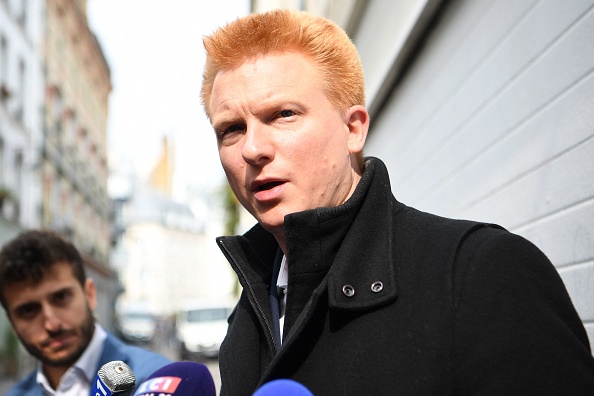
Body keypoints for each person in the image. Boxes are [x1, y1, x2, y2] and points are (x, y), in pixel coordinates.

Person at [200, 9, 594, 395]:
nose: (252, 148)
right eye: (232, 129)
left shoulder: (481, 273)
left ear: (353, 129)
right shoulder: (251, 308)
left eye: (283, 114)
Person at [0, 230, 171, 396]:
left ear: (89, 294)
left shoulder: (155, 381)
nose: (52, 325)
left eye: (61, 297)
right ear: (13, 323)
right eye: (28, 310)